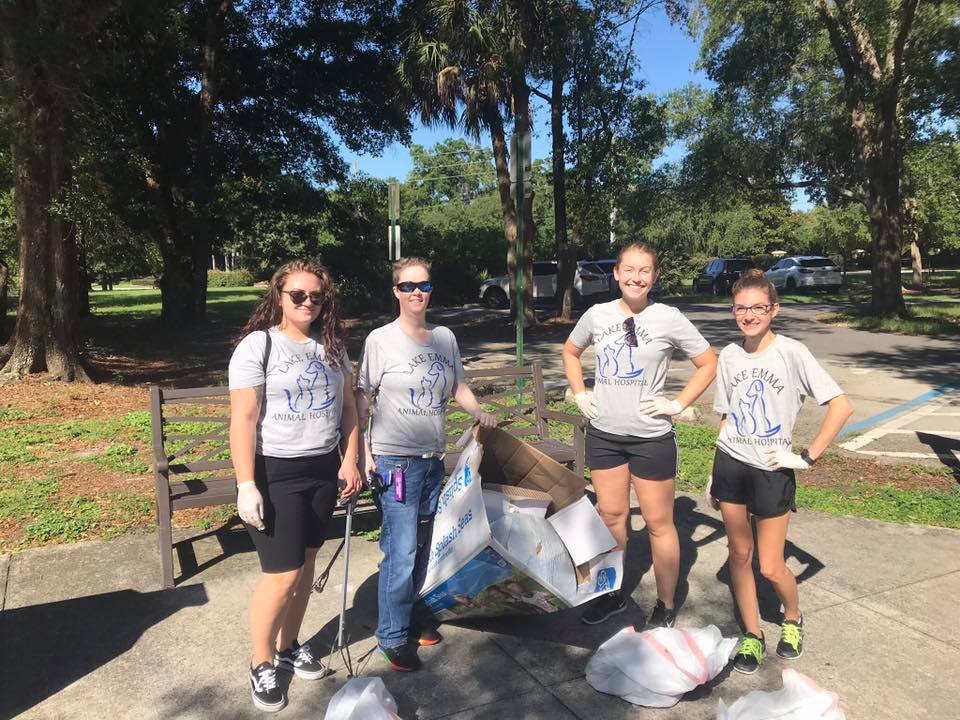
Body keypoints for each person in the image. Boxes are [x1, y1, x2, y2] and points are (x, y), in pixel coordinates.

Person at [229, 259, 362, 713]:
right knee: (281, 574)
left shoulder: (333, 346)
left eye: (316, 296)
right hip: (274, 471)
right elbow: (243, 419)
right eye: (298, 295)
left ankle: (289, 646)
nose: (308, 302)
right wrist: (246, 483)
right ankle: (261, 661)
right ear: (278, 297)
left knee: (306, 565)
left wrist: (350, 459)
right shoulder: (258, 347)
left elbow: (348, 409)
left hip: (322, 469)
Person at [563, 242, 717, 627]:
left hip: (651, 439)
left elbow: (708, 363)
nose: (636, 277)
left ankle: (665, 604)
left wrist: (678, 404)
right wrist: (581, 393)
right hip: (605, 435)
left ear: (654, 276)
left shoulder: (669, 317)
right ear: (616, 273)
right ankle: (611, 594)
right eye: (629, 270)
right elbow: (570, 351)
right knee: (612, 515)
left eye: (644, 271)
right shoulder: (597, 315)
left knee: (658, 523)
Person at [356, 256, 496, 672]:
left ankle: (413, 616)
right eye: (408, 285)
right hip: (394, 463)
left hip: (433, 462)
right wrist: (361, 452)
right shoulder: (381, 340)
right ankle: (392, 636)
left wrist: (479, 412)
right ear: (395, 291)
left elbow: (458, 387)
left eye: (425, 285)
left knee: (425, 548)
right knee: (399, 552)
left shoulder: (445, 337)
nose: (417, 292)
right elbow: (362, 397)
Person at [709, 269, 853, 674]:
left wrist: (807, 457)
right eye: (741, 308)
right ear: (733, 310)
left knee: (770, 565)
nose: (749, 315)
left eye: (758, 307)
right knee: (739, 553)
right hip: (731, 464)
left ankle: (792, 618)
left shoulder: (792, 352)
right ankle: (752, 635)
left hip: (772, 470)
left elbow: (841, 406)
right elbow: (728, 416)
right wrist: (713, 472)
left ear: (774, 309)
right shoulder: (731, 356)